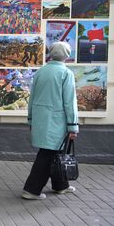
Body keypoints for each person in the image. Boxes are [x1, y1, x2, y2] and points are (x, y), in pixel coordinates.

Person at [22, 41, 79, 200]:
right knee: (48, 154)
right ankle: (31, 190)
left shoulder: (41, 71)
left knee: (56, 152)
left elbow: (32, 98)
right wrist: (73, 126)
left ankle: (61, 186)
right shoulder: (66, 73)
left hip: (41, 119)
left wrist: (31, 119)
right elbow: (70, 101)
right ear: (66, 55)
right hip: (57, 122)